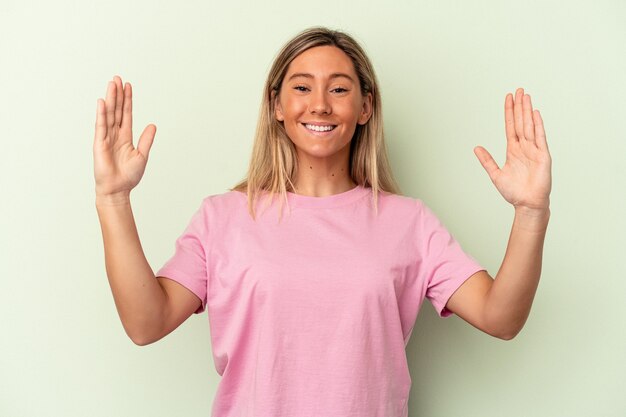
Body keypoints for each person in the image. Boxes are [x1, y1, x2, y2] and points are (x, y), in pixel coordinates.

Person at [93, 27, 551, 417]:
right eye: (301, 87)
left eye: (338, 88)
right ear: (276, 105)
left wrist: (531, 212)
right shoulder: (223, 217)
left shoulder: (409, 222)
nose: (320, 105)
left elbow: (501, 317)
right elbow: (145, 322)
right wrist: (113, 198)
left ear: (365, 107)